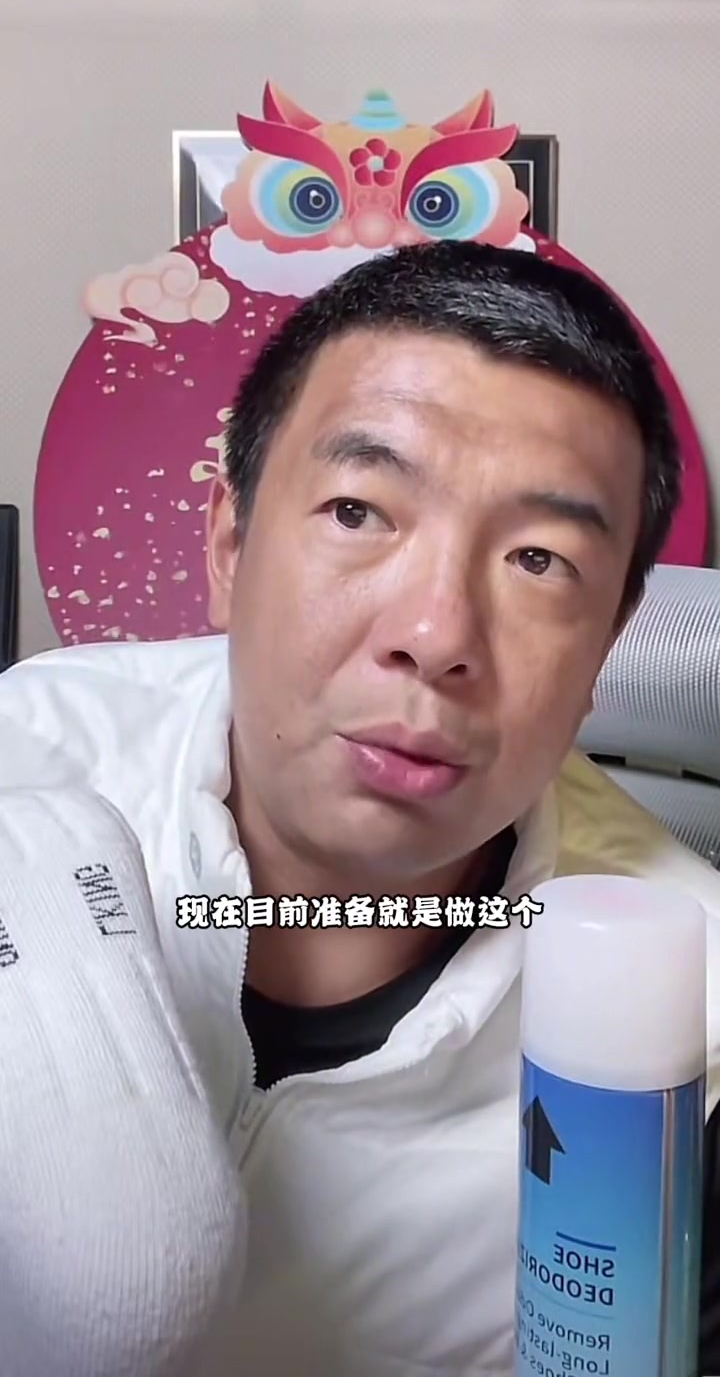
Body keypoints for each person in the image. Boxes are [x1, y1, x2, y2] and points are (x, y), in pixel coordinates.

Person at [1, 239, 719, 1376]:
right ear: (229, 544)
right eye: (357, 510)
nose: (434, 636)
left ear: (606, 650)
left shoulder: (693, 1043)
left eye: (539, 560)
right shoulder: (31, 762)